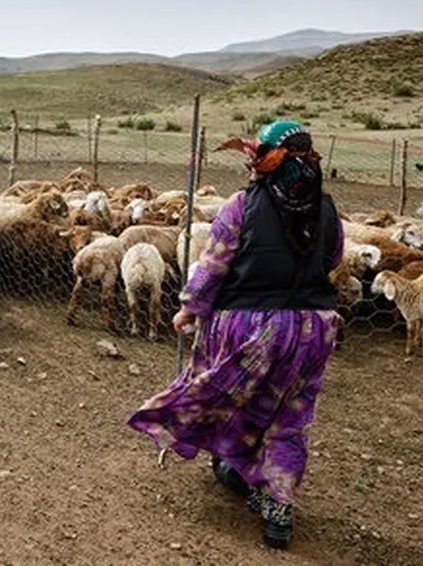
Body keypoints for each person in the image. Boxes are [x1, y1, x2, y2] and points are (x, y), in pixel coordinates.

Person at [126, 120, 342, 550]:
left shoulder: (242, 206)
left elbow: (214, 264)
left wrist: (189, 308)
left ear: (262, 161)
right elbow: (332, 259)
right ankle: (276, 504)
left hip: (253, 325)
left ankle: (228, 460)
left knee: (228, 395)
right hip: (313, 328)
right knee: (289, 417)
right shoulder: (328, 209)